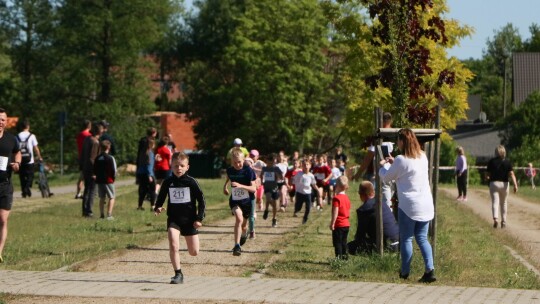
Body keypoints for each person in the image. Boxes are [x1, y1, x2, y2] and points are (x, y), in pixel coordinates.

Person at [379, 128, 436, 283]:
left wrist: (382, 167)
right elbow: (406, 169)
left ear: (403, 141)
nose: (397, 143)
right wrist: (394, 163)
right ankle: (430, 269)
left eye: (398, 140)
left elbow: (387, 177)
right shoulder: (423, 156)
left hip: (409, 206)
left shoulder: (400, 159)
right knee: (422, 238)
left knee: (406, 238)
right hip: (426, 204)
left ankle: (405, 271)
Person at [154, 152, 206, 284]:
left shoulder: (191, 182)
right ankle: (178, 273)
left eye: (182, 166)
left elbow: (201, 200)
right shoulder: (168, 181)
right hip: (174, 219)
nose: (179, 168)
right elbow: (161, 197)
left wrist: (199, 218)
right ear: (171, 166)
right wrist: (158, 206)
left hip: (190, 220)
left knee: (194, 252)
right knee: (173, 244)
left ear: (187, 167)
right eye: (176, 166)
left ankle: (182, 265)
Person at [353, 112, 395, 209]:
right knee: (389, 201)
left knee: (380, 203)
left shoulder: (379, 136)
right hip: (393, 172)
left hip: (381, 173)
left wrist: (358, 174)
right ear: (391, 121)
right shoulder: (395, 135)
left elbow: (368, 158)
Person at [349, 181, 399, 255]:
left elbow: (360, 235)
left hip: (385, 245)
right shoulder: (382, 203)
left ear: (361, 195)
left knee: (350, 247)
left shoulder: (364, 209)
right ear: (373, 191)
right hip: (398, 242)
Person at [223, 148, 256, 256]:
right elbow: (228, 177)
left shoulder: (248, 171)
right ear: (231, 162)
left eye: (239, 162)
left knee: (244, 225)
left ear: (243, 160)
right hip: (235, 200)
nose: (237, 164)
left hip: (247, 201)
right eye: (235, 162)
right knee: (239, 218)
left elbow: (253, 189)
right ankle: (237, 246)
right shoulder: (230, 170)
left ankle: (244, 234)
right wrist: (225, 187)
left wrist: (240, 186)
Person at [0, 108, 21, 263]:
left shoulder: (11, 139)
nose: (1, 122)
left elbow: (17, 152)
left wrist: (17, 163)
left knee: (3, 219)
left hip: (5, 183)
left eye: (3, 120)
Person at [486, 145, 518, 229]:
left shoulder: (491, 161)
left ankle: (495, 219)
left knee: (495, 202)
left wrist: (487, 178)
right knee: (503, 203)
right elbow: (512, 174)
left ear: (496, 152)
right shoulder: (507, 162)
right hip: (504, 184)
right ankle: (503, 221)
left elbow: (487, 175)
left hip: (494, 183)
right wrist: (515, 185)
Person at [81, 122, 103, 217]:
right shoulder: (95, 142)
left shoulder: (87, 139)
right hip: (91, 169)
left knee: (87, 189)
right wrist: (95, 172)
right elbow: (93, 158)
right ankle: (89, 210)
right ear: (100, 132)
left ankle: (84, 210)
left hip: (85, 167)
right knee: (92, 190)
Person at [16, 119, 42, 198]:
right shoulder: (32, 136)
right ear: (28, 126)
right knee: (30, 176)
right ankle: (27, 188)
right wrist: (39, 156)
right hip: (29, 160)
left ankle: (24, 191)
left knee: (22, 176)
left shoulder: (17, 136)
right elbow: (36, 148)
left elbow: (15, 149)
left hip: (20, 159)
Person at [93, 140, 117, 220]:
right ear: (109, 147)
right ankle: (109, 215)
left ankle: (101, 215)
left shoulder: (97, 158)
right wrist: (113, 178)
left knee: (102, 197)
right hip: (108, 180)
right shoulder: (110, 158)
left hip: (99, 180)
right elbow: (114, 170)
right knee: (112, 197)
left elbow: (95, 169)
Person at [329, 176, 351, 260]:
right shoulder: (347, 198)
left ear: (337, 186)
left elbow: (335, 212)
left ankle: (338, 258)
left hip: (339, 224)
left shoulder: (336, 198)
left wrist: (332, 222)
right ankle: (345, 258)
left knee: (337, 242)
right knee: (344, 242)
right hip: (346, 224)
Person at [292, 159, 319, 224]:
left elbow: (313, 184)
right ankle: (296, 210)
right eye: (304, 165)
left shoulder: (311, 175)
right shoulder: (299, 174)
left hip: (308, 193)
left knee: (308, 207)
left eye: (307, 164)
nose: (306, 166)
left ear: (310, 166)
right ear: (302, 166)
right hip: (300, 193)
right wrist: (291, 185)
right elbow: (293, 181)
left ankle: (305, 217)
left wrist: (318, 190)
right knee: (298, 207)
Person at [260, 154, 283, 228]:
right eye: (269, 163)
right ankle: (267, 210)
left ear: (274, 162)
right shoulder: (264, 168)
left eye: (272, 163)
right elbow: (261, 175)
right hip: (267, 187)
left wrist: (277, 174)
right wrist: (261, 181)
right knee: (268, 198)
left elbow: (281, 177)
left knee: (274, 204)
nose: (270, 165)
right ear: (266, 161)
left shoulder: (276, 168)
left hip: (275, 187)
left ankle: (274, 218)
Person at [137, 138, 156, 211]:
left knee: (143, 190)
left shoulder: (142, 153)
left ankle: (139, 206)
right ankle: (152, 206)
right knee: (152, 190)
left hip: (141, 173)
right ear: (151, 145)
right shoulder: (150, 153)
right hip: (148, 174)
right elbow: (149, 165)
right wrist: (149, 175)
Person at [75, 120, 91, 199]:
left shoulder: (79, 135)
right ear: (88, 126)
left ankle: (78, 192)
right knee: (87, 176)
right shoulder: (88, 135)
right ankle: (87, 192)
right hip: (87, 157)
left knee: (81, 176)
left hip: (80, 156)